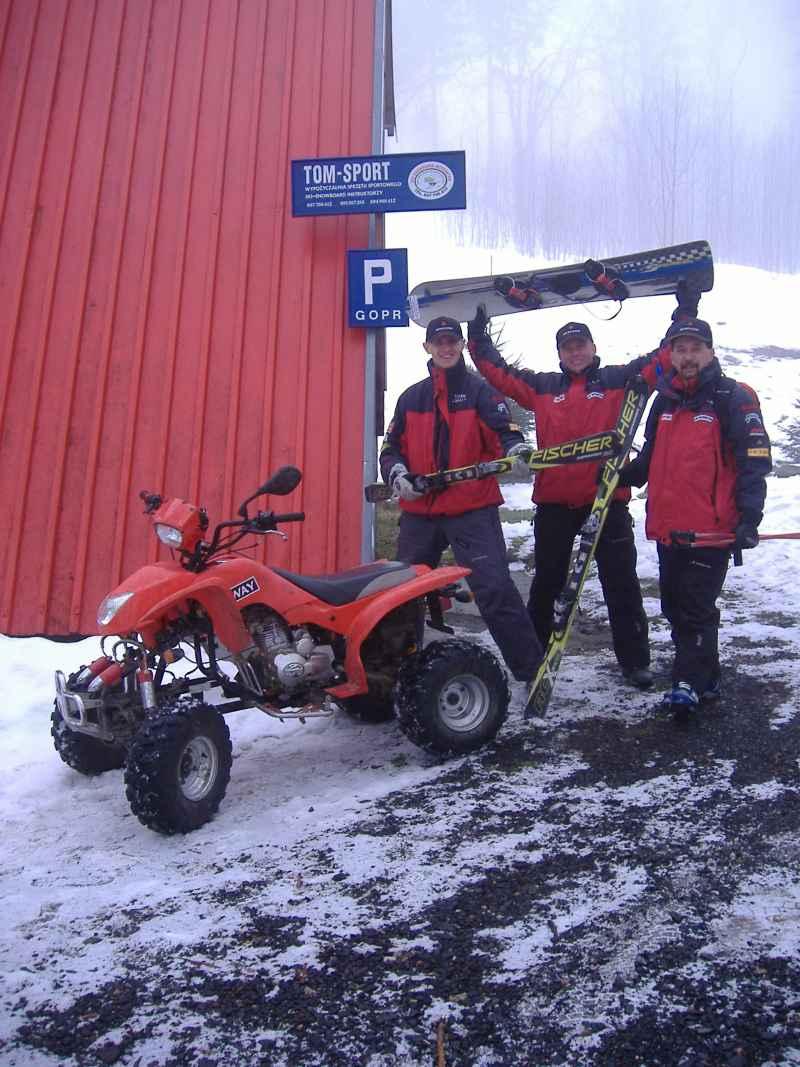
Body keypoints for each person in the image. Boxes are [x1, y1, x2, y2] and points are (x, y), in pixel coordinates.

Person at [467, 304, 685, 690]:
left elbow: (662, 358)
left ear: (592, 346)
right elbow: (497, 373)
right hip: (554, 505)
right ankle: (532, 659)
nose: (575, 352)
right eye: (568, 347)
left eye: (580, 345)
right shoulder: (542, 387)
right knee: (547, 583)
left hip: (607, 502)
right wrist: (479, 335)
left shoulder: (621, 379)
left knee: (621, 584)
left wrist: (684, 312)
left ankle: (635, 663)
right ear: (560, 353)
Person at [616, 316, 772, 712]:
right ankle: (708, 679)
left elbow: (754, 461)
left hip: (712, 530)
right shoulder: (664, 400)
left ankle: (685, 682)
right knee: (674, 606)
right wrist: (623, 475)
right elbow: (651, 456)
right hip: (670, 528)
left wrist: (750, 518)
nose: (687, 357)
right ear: (671, 354)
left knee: (695, 608)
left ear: (710, 352)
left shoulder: (733, 397)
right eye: (680, 350)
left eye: (695, 349)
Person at [379, 315, 543, 684]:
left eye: (452, 340)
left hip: (472, 508)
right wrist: (398, 474)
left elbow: (505, 431)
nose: (447, 347)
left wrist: (516, 449)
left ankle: (531, 671)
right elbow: (390, 449)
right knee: (399, 595)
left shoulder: (480, 392)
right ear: (428, 348)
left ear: (461, 346)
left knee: (495, 588)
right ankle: (390, 676)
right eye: (439, 342)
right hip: (421, 512)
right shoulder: (411, 397)